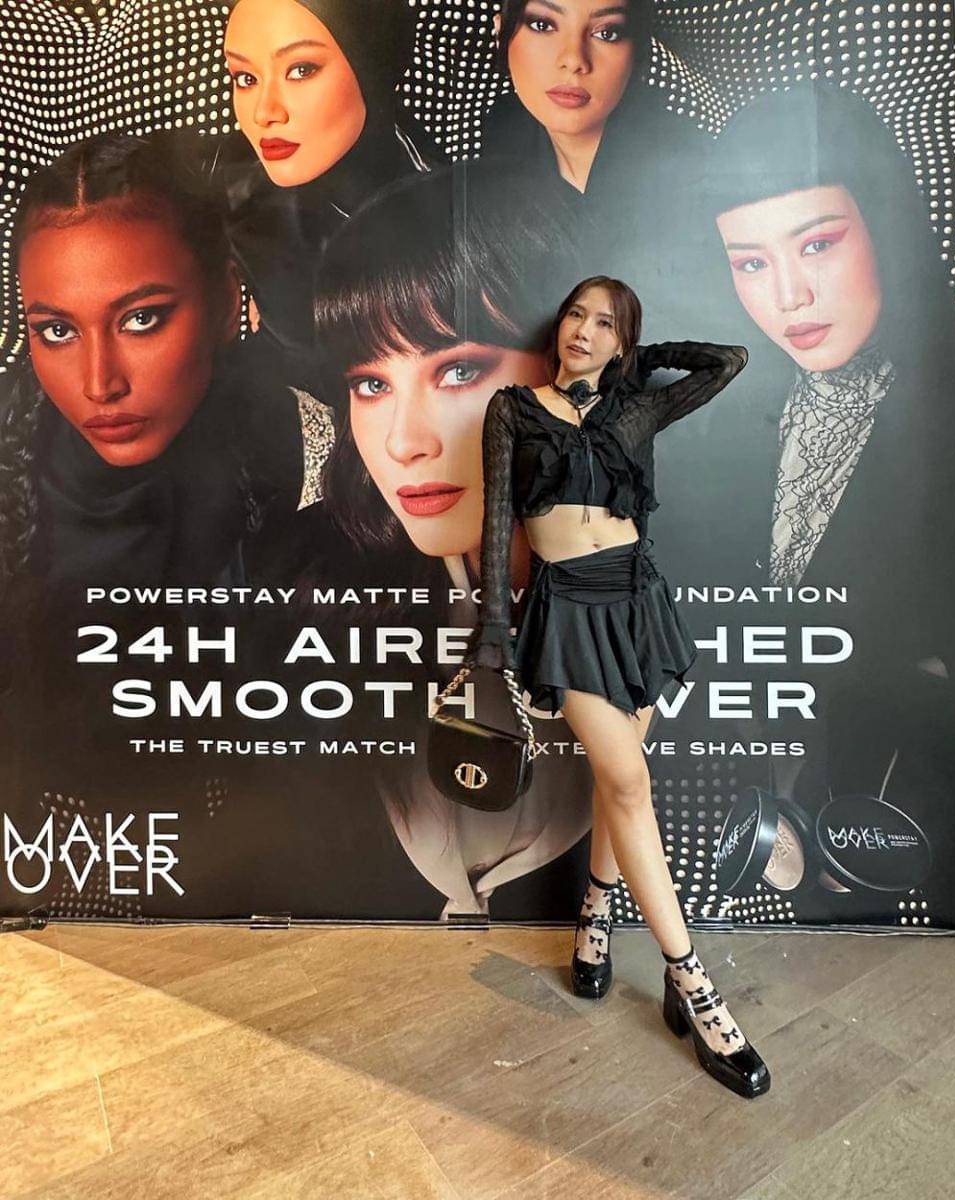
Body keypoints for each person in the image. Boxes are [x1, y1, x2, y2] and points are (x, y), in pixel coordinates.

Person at [466, 273, 770, 1098]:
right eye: (577, 315)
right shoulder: (513, 410)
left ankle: (595, 915)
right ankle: (693, 983)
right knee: (630, 782)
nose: (584, 331)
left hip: (637, 601)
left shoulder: (636, 408)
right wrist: (493, 632)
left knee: (618, 781)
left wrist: (636, 361)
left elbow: (727, 361)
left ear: (621, 341)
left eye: (606, 325)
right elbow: (498, 524)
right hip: (567, 608)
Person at [310, 164, 598, 919]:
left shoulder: (659, 588)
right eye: (371, 385)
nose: (403, 442)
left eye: (459, 370)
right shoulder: (323, 600)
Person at [708, 82, 955, 674]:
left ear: (885, 225)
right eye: (751, 263)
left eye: (817, 245)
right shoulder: (720, 416)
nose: (789, 296)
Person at [0, 130, 303, 608]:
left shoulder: (340, 460)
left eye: (141, 320)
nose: (100, 385)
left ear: (226, 304)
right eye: (58, 331)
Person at [219, 0, 435, 376]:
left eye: (301, 70)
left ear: (372, 67)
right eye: (246, 78)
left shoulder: (452, 226)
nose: (264, 113)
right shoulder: (242, 205)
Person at [482, 0, 707, 335]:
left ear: (638, 48)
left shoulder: (685, 166)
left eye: (608, 32)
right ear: (501, 31)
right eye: (543, 25)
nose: (574, 60)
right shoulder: (501, 137)